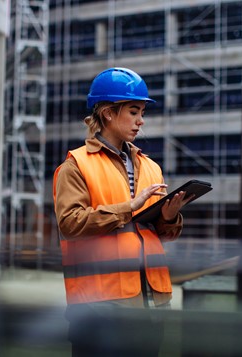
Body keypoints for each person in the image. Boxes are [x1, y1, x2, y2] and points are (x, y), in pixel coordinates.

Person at [53, 67, 192, 357]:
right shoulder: (76, 166)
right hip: (99, 307)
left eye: (142, 112)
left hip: (149, 305)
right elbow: (70, 223)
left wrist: (168, 216)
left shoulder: (151, 167)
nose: (141, 121)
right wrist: (127, 208)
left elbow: (158, 235)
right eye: (133, 111)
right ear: (108, 113)